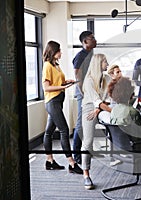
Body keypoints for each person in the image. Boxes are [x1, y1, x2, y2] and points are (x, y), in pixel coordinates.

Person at [42, 40, 83, 174]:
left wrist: (66, 82)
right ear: (53, 52)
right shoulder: (47, 66)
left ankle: (49, 161)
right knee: (64, 130)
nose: (61, 53)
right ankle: (72, 163)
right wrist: (63, 87)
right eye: (59, 50)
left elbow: (57, 82)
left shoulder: (56, 66)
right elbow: (46, 87)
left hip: (58, 101)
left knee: (49, 131)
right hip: (52, 101)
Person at [81, 53, 111, 189]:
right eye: (105, 62)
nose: (108, 64)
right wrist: (110, 110)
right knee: (87, 141)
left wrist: (99, 109)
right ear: (99, 64)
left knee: (115, 125)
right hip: (89, 108)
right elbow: (96, 101)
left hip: (100, 108)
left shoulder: (106, 78)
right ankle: (86, 174)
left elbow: (106, 100)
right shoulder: (89, 81)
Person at [72, 31, 97, 164]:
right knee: (81, 124)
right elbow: (78, 77)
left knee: (89, 123)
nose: (95, 40)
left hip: (91, 94)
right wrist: (84, 94)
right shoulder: (80, 56)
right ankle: (77, 155)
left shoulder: (91, 54)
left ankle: (87, 151)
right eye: (92, 38)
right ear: (85, 42)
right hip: (84, 95)